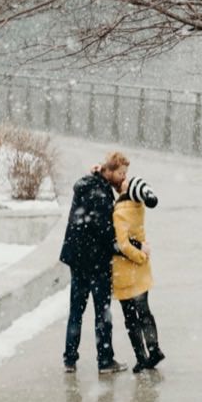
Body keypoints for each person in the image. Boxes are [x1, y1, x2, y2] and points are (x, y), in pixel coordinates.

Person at [60, 151, 130, 374]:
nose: (123, 177)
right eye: (120, 173)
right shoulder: (101, 194)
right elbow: (105, 233)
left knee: (76, 311)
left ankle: (70, 360)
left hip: (77, 258)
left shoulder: (87, 184)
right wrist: (130, 249)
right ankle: (105, 361)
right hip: (95, 261)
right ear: (108, 171)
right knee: (102, 312)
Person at [113, 175, 164, 372]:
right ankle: (154, 349)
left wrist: (138, 255)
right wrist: (142, 255)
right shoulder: (138, 208)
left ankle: (141, 356)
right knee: (145, 312)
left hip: (124, 272)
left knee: (130, 317)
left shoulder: (118, 213)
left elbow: (123, 245)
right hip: (141, 272)